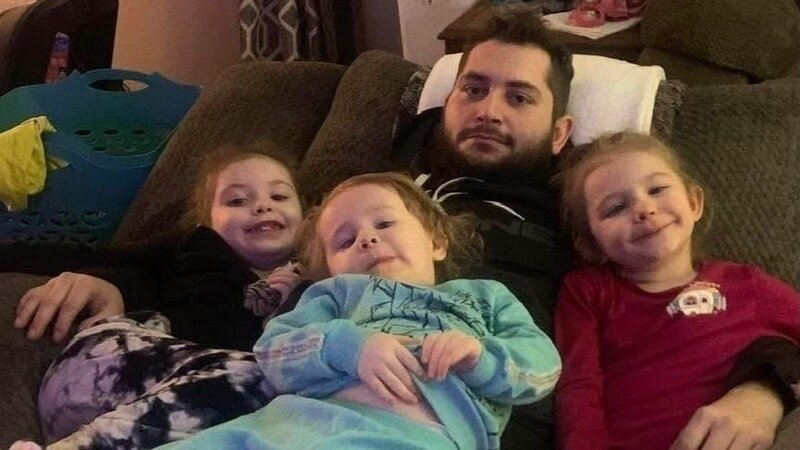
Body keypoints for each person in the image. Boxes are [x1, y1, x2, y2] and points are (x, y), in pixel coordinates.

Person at [12, 9, 797, 450]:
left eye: (519, 97)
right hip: (283, 381)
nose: (488, 109)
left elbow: (696, 309)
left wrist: (766, 391)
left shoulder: (581, 223)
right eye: (474, 88)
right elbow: (221, 241)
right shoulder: (368, 194)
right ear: (445, 103)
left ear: (562, 131)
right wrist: (111, 272)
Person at [156, 171, 560, 450]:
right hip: (288, 425)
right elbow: (273, 350)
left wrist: (480, 356)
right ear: (331, 269)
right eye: (345, 241)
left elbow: (544, 367)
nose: (366, 239)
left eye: (384, 224)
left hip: (415, 436)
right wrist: (350, 346)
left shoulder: (485, 296)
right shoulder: (335, 295)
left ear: (436, 242)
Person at [19, 143, 306, 449]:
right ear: (207, 222)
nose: (262, 206)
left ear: (308, 216)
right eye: (236, 200)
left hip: (192, 421)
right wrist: (108, 287)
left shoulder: (316, 281)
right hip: (115, 376)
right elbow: (106, 259)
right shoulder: (197, 252)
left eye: (279, 196)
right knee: (262, 376)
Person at [552, 132, 800, 450]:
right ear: (590, 245)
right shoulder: (587, 291)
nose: (644, 209)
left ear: (694, 203)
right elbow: (578, 387)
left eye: (657, 190)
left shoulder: (748, 284)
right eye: (615, 208)